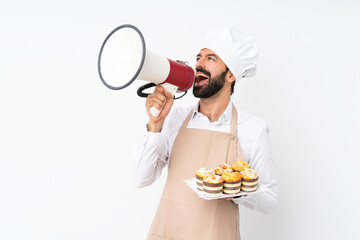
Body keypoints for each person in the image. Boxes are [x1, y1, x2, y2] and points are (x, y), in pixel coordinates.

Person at [134, 26, 278, 240]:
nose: (198, 64)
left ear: (231, 75)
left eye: (211, 58)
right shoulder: (174, 117)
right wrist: (155, 125)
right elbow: (140, 179)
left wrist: (236, 190)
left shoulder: (253, 129)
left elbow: (270, 201)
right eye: (198, 57)